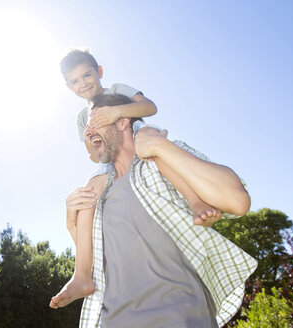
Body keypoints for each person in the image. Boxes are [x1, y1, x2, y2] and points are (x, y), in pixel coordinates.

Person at [50, 50, 222, 310]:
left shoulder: (117, 89)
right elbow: (94, 157)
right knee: (88, 192)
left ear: (100, 72)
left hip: (136, 134)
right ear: (67, 86)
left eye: (87, 75)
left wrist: (116, 112)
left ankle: (195, 201)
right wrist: (92, 137)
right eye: (74, 81)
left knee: (152, 147)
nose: (83, 83)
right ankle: (82, 274)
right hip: (111, 154)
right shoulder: (81, 118)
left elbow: (149, 107)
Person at [73, 94, 257, 327]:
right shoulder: (98, 193)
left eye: (96, 122)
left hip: (180, 316)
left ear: (121, 121)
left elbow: (237, 201)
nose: (87, 132)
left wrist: (159, 145)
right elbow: (95, 265)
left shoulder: (164, 160)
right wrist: (72, 222)